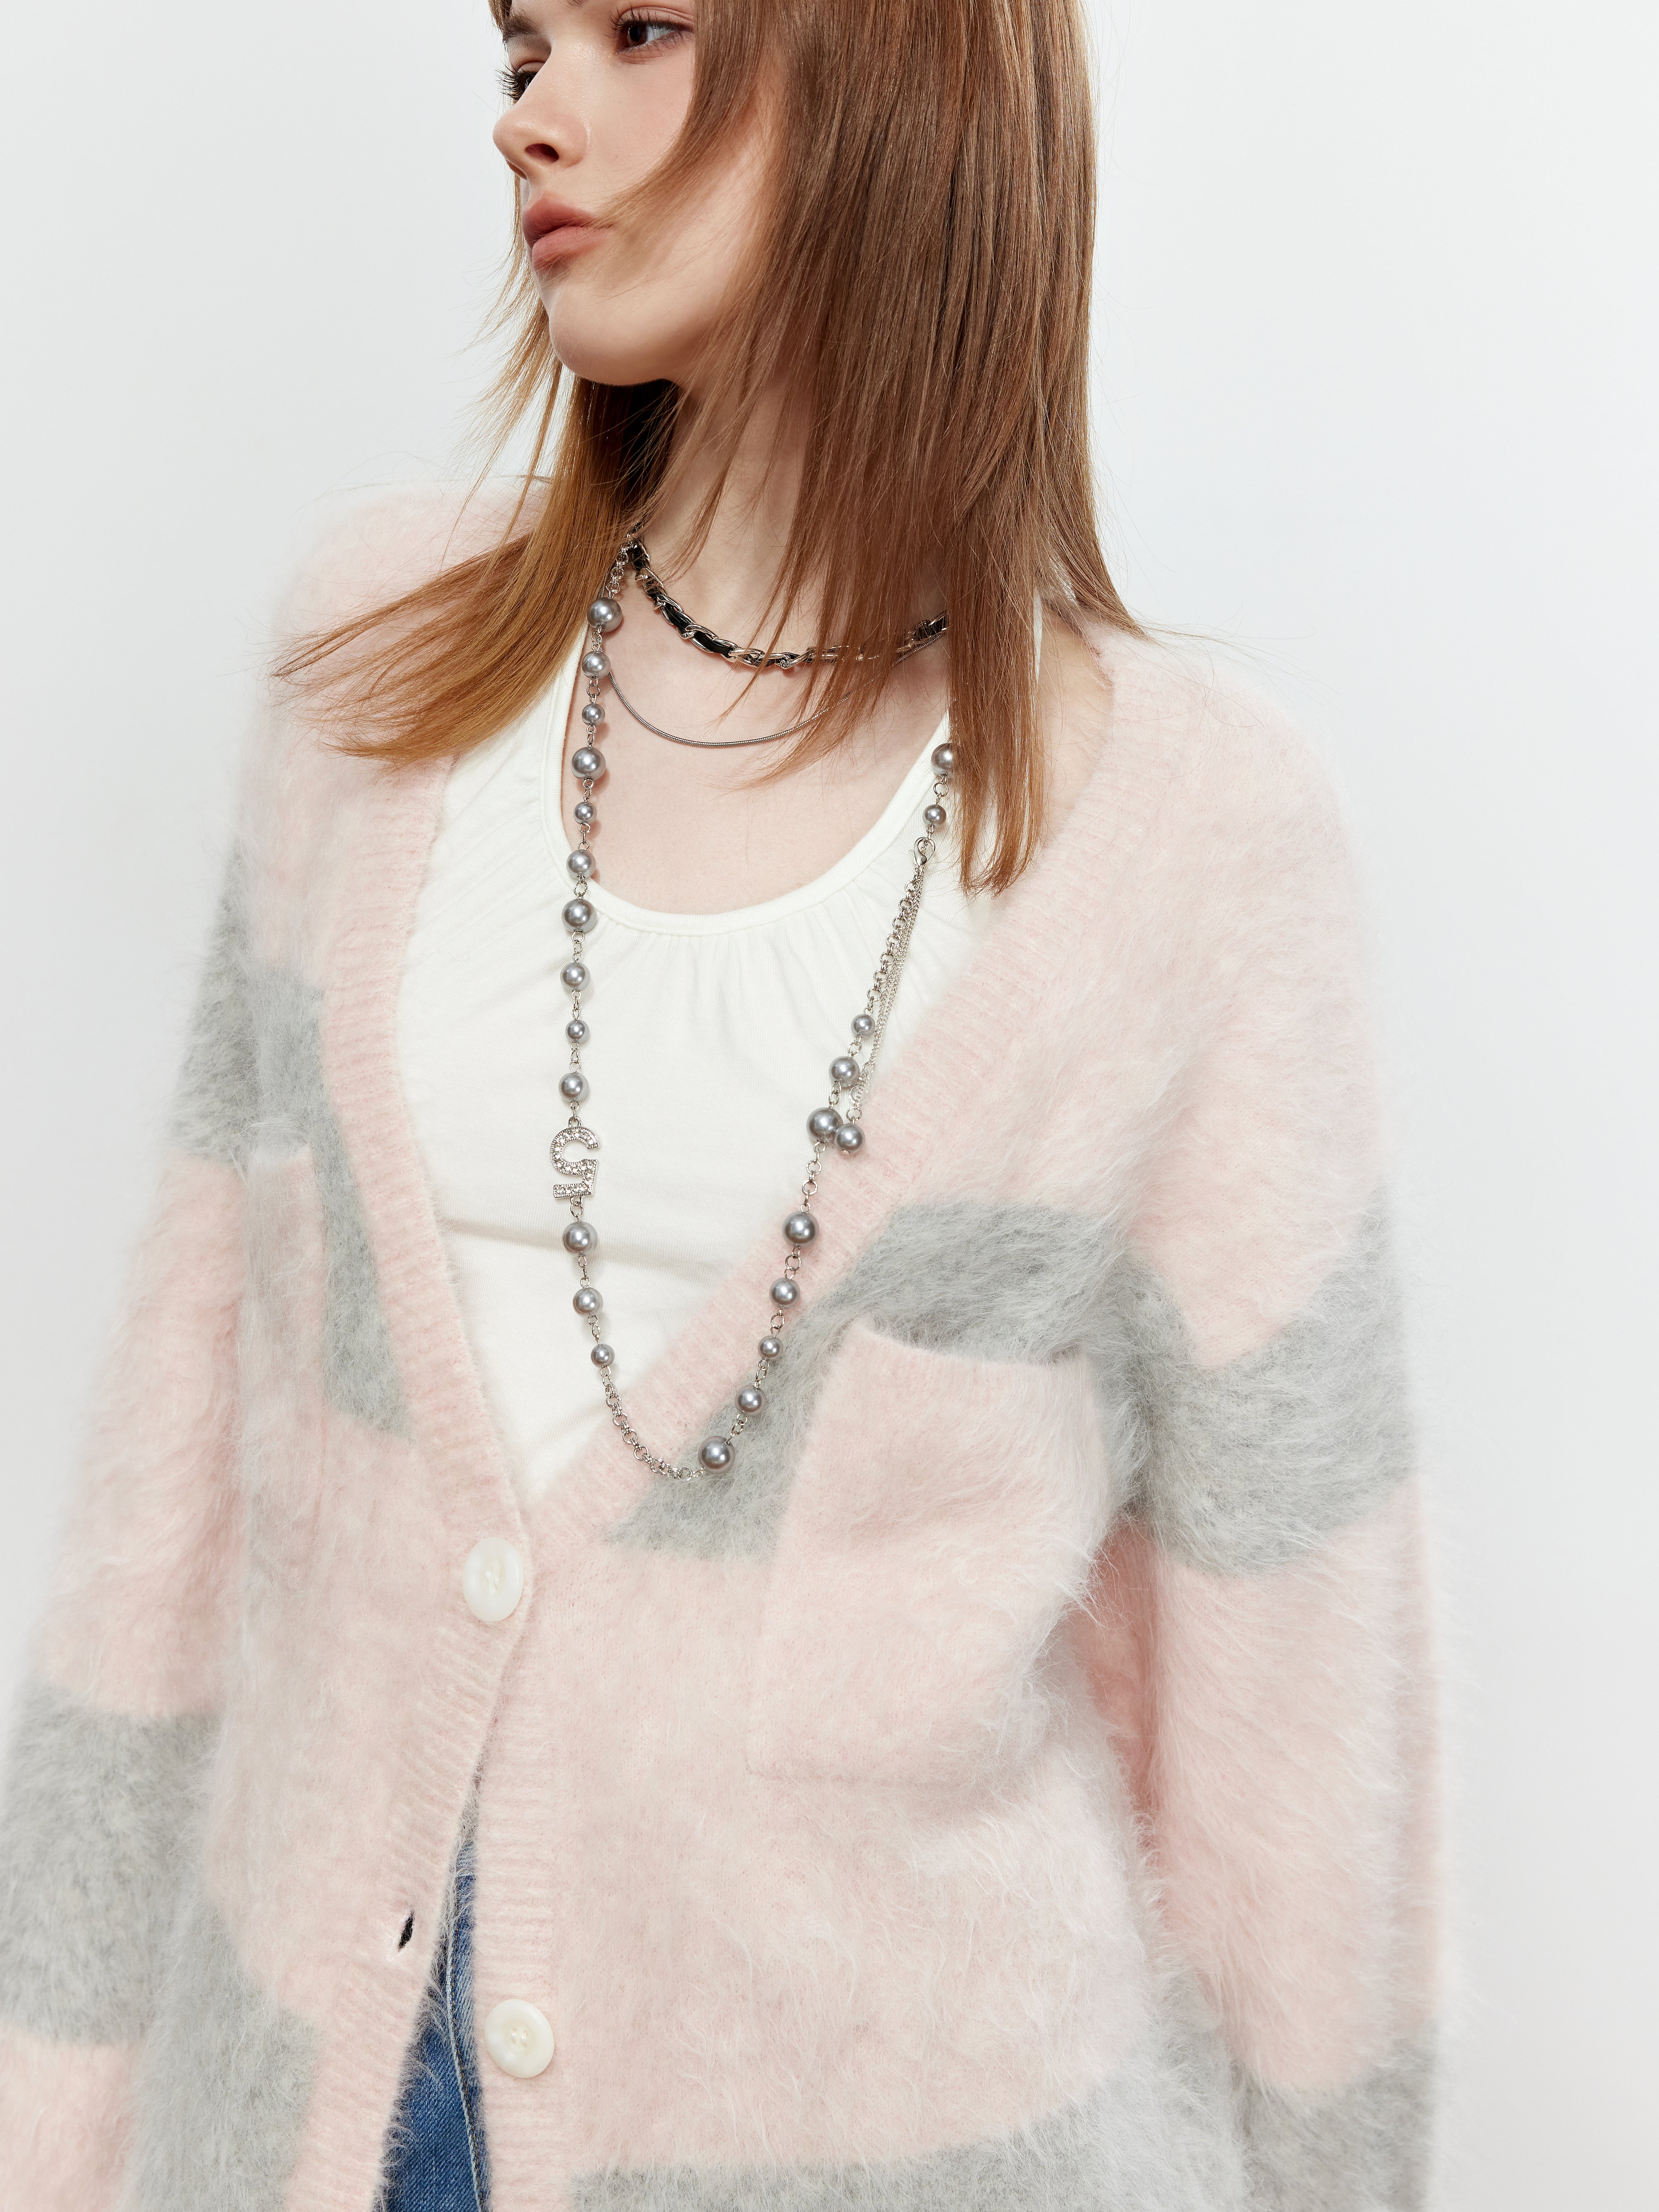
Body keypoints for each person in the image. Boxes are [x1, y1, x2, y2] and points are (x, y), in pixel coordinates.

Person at [0, 4, 1441, 2207]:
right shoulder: (370, 675)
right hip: (312, 2127)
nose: (531, 114)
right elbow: (163, 1516)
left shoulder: (1197, 838)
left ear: (901, 72)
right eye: (519, 45)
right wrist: (47, 2131)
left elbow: (1299, 1716)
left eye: (642, 29)